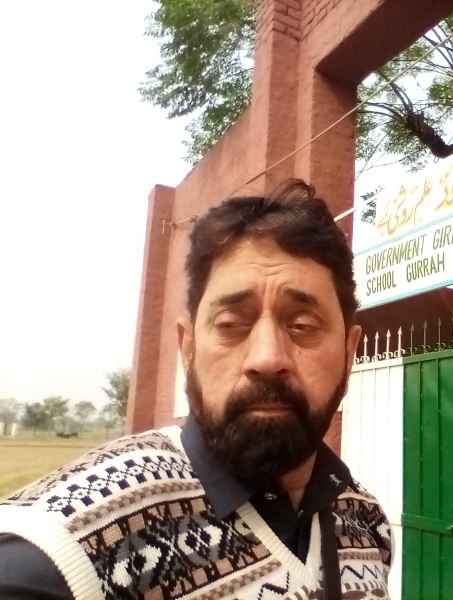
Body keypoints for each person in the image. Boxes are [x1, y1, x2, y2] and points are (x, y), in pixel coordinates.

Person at [0, 179, 392, 600]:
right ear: (187, 347)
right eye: (231, 324)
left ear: (349, 351)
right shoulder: (69, 543)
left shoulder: (366, 520)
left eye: (302, 325)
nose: (266, 357)